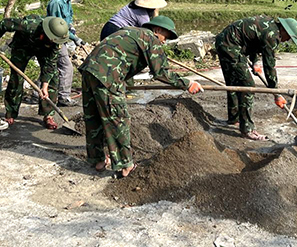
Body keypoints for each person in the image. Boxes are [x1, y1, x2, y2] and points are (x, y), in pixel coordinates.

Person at [78, 16, 203, 178]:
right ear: (157, 30)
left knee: (93, 116)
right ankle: (125, 165)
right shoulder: (151, 39)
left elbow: (122, 57)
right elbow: (161, 73)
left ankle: (97, 160)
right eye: (166, 36)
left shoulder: (131, 32)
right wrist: (187, 83)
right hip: (107, 75)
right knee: (118, 119)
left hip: (90, 70)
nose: (164, 42)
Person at [215, 16, 297, 140]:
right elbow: (269, 66)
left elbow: (252, 39)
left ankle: (234, 119)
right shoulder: (272, 35)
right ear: (284, 30)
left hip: (224, 41)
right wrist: (276, 93)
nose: (286, 40)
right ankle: (247, 129)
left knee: (233, 83)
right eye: (288, 37)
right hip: (231, 46)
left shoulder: (269, 24)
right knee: (248, 86)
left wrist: (255, 62)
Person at [0, 15, 69, 129]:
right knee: (17, 77)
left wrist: (44, 86)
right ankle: (11, 112)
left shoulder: (56, 42)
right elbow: (4, 24)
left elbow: (50, 64)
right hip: (23, 46)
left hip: (44, 50)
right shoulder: (30, 26)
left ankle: (48, 115)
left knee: (53, 77)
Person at [46, 0, 85, 107]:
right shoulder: (56, 2)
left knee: (52, 66)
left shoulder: (66, 1)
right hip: (54, 38)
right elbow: (57, 26)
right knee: (66, 67)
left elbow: (67, 21)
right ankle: (64, 97)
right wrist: (75, 39)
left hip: (61, 37)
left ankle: (39, 92)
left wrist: (72, 29)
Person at [99, 0, 167, 40]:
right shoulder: (142, 15)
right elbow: (148, 33)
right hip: (114, 31)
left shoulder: (131, 6)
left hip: (107, 28)